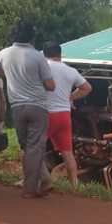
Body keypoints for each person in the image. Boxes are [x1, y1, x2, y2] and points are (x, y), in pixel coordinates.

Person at [0, 19, 55, 198]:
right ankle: (30, 189)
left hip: (17, 107)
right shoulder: (38, 56)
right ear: (32, 37)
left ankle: (45, 179)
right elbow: (50, 85)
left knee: (28, 147)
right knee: (36, 147)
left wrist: (7, 73)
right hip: (38, 106)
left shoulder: (4, 53)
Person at [43, 41, 92, 191]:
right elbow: (87, 88)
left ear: (44, 55)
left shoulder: (43, 69)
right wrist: (70, 96)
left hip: (47, 114)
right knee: (67, 152)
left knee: (33, 148)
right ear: (60, 54)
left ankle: (32, 179)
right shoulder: (70, 70)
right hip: (64, 115)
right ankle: (74, 185)